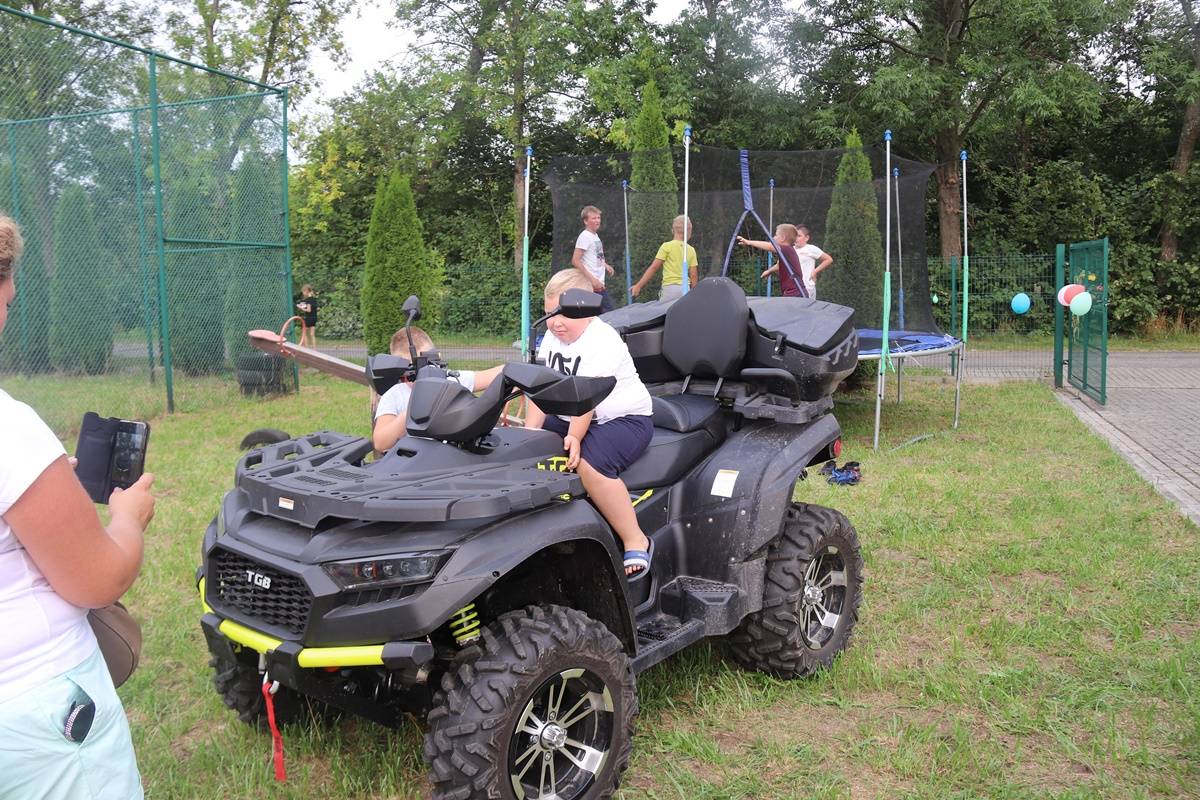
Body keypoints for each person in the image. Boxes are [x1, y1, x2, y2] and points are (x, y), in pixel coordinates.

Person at [0, 214, 156, 799]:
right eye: (7, 300)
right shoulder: (9, 429)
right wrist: (127, 519)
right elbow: (98, 578)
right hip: (37, 718)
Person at [525, 269, 654, 575]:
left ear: (587, 310)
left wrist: (574, 436)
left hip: (622, 419)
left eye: (564, 314)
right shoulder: (551, 339)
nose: (555, 322)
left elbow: (586, 397)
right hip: (570, 414)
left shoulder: (602, 340)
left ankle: (635, 538)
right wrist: (528, 433)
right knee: (524, 452)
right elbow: (539, 390)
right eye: (549, 314)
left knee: (588, 464)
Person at [372, 325, 503, 452]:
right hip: (415, 460)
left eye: (431, 362)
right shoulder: (395, 395)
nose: (428, 370)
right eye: (415, 367)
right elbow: (380, 443)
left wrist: (510, 376)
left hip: (453, 457)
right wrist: (415, 407)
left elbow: (495, 374)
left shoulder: (451, 379)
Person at [631, 215, 699, 302]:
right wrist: (694, 294)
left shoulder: (666, 246)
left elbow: (654, 268)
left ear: (673, 230)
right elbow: (693, 275)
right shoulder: (691, 250)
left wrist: (638, 286)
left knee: (666, 311)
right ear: (688, 231)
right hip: (685, 289)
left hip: (669, 289)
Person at [738, 223, 808, 298]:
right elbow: (778, 265)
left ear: (783, 238)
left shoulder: (786, 249)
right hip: (795, 292)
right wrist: (769, 271)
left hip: (795, 293)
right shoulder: (787, 252)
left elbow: (770, 246)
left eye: (776, 235)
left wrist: (749, 242)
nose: (774, 237)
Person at [571, 205, 616, 312]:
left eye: (598, 218)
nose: (597, 221)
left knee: (600, 315)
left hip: (598, 284)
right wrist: (592, 280)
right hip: (591, 286)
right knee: (608, 314)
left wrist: (605, 265)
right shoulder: (584, 236)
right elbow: (575, 261)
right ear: (586, 221)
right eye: (594, 218)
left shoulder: (595, 236)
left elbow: (596, 256)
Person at [792, 224, 833, 299]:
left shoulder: (811, 249)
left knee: (805, 307)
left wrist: (815, 271)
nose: (796, 238)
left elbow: (828, 259)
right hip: (792, 288)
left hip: (807, 288)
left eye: (799, 236)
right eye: (794, 235)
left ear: (807, 238)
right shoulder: (790, 250)